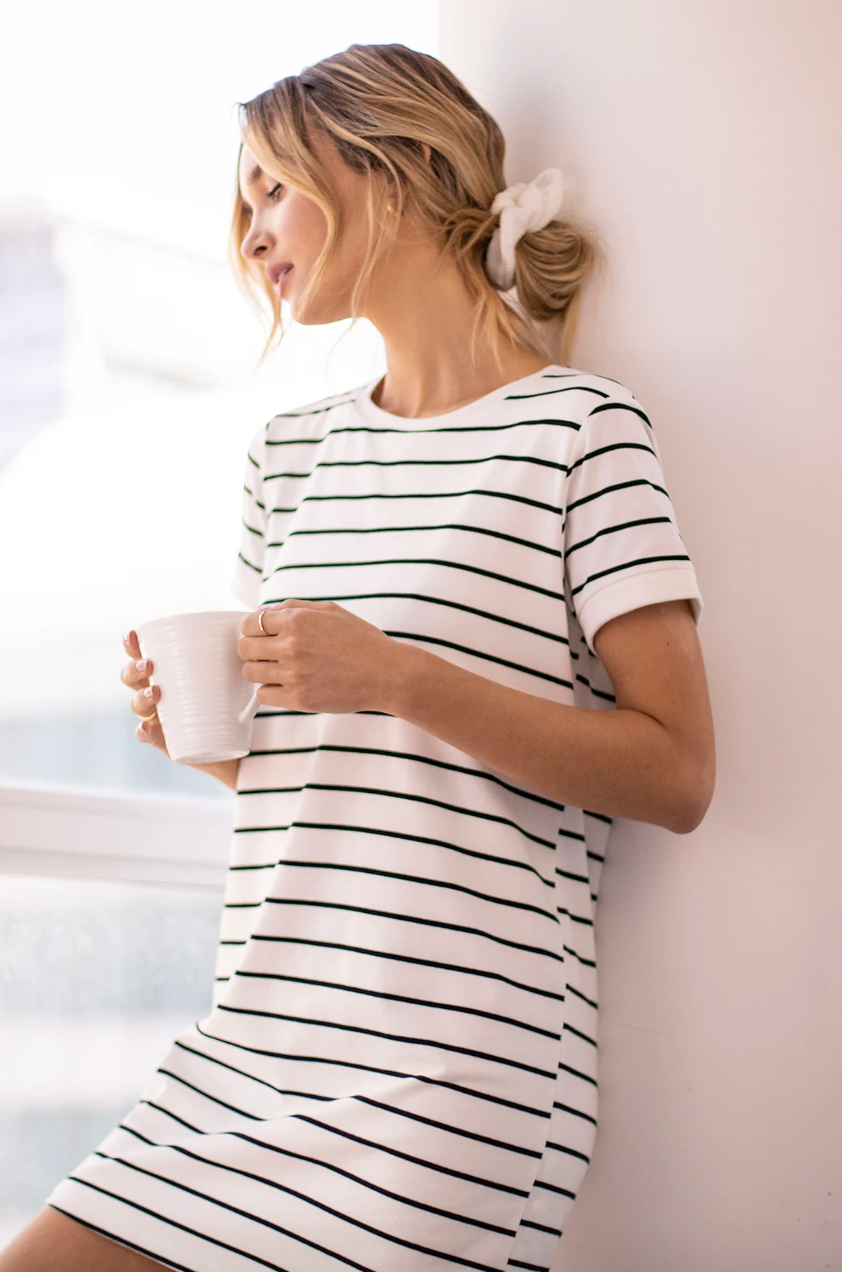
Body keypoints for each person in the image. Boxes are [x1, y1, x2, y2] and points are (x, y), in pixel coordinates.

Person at [4, 41, 715, 1272]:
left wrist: (394, 676)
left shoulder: (579, 434)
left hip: (453, 1075)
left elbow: (676, 773)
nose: (251, 235)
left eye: (271, 186)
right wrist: (209, 742)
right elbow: (334, 779)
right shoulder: (287, 458)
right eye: (244, 204)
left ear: (390, 168)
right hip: (256, 1038)